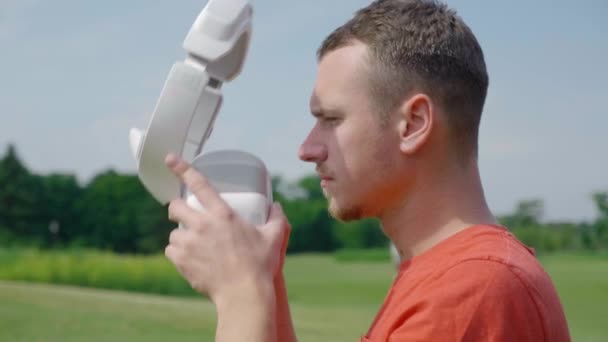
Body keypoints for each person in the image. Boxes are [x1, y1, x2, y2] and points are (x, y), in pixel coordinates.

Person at [163, 0, 571, 341]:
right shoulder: (450, 275)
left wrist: (240, 295)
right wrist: (265, 281)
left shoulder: (472, 292)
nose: (307, 149)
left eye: (331, 119)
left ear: (413, 124)